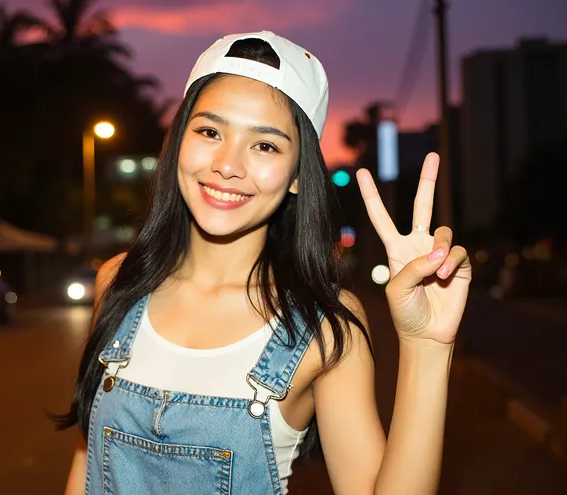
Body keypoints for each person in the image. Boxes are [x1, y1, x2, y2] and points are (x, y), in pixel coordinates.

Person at [57, 31, 471, 495]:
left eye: (265, 146)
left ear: (297, 176)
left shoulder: (326, 325)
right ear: (177, 142)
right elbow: (87, 461)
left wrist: (427, 347)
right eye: (210, 131)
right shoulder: (118, 281)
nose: (228, 164)